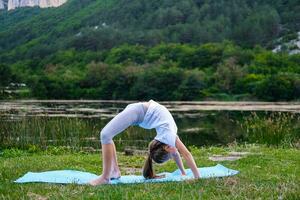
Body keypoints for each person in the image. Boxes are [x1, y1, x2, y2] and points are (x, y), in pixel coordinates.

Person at [89, 100, 200, 185]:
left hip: (139, 113)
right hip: (138, 112)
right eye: (170, 156)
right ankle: (105, 177)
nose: (174, 155)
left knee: (107, 136)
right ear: (167, 148)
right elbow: (186, 154)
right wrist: (197, 177)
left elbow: (176, 154)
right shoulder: (169, 136)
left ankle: (114, 172)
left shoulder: (167, 139)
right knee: (105, 135)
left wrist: (184, 172)